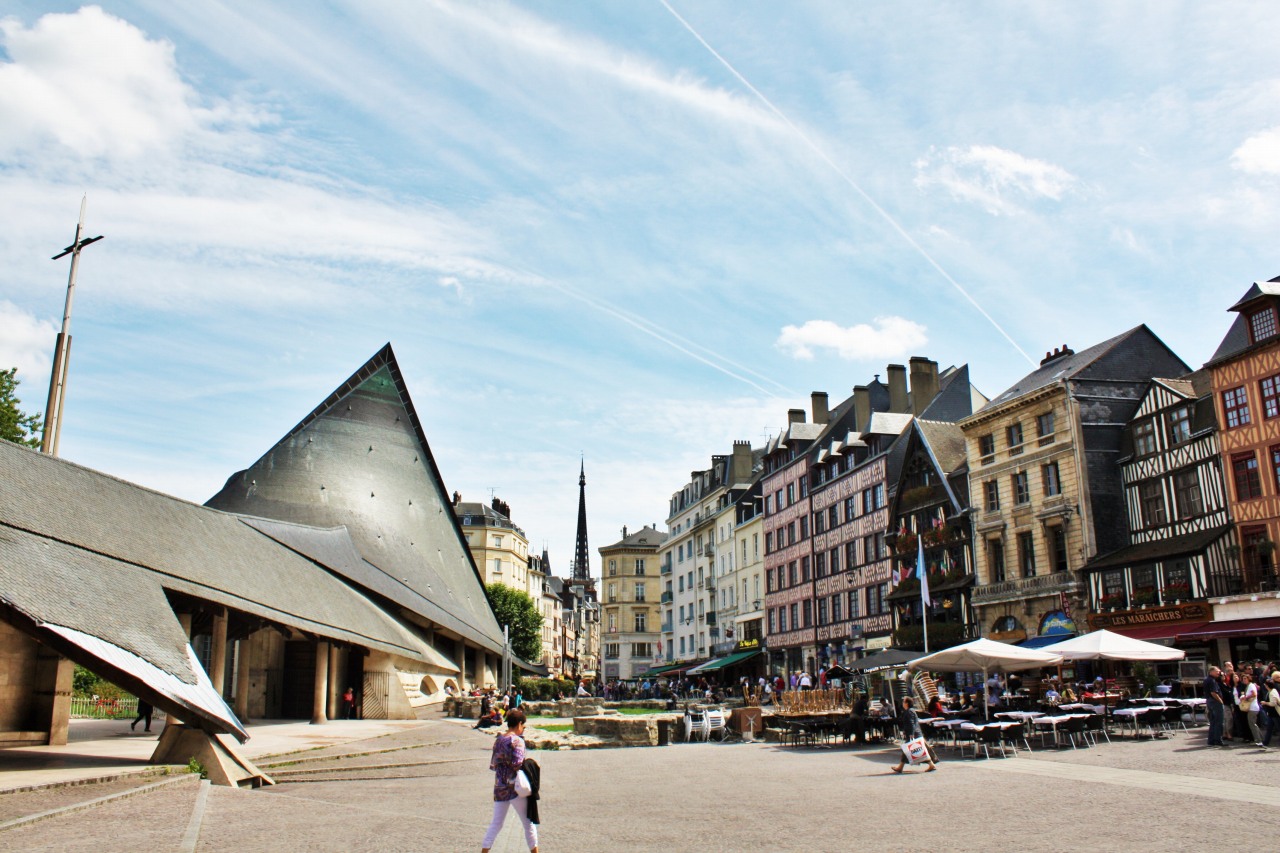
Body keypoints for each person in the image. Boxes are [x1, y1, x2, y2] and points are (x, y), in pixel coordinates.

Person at [480, 708, 538, 853]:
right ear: (519, 724)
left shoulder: (499, 740)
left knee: (496, 824)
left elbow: (494, 764)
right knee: (528, 823)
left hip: (500, 786)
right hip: (515, 788)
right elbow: (517, 764)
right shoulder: (517, 741)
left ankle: (484, 851)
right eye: (523, 726)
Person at [890, 697, 936, 774]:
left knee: (917, 750)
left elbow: (911, 723)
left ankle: (931, 764)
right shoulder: (909, 711)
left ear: (907, 703)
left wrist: (911, 733)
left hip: (914, 734)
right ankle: (900, 767)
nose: (903, 703)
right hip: (915, 734)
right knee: (912, 750)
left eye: (904, 702)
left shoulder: (909, 711)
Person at [1234, 672, 1266, 749]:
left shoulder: (1251, 685)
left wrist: (1246, 697)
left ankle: (1258, 740)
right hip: (1251, 708)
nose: (1244, 680)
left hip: (1253, 708)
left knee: (1252, 724)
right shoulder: (1248, 686)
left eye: (1245, 678)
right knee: (1253, 724)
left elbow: (1254, 694)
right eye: (1243, 679)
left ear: (1249, 679)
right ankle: (1261, 738)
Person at [1204, 665, 1226, 747]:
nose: (1218, 673)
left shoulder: (1207, 679)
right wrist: (1220, 701)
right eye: (1217, 671)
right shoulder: (1212, 681)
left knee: (1213, 722)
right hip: (1215, 702)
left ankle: (1211, 740)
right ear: (1211, 671)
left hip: (1209, 701)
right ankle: (1218, 740)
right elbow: (1213, 692)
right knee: (1218, 722)